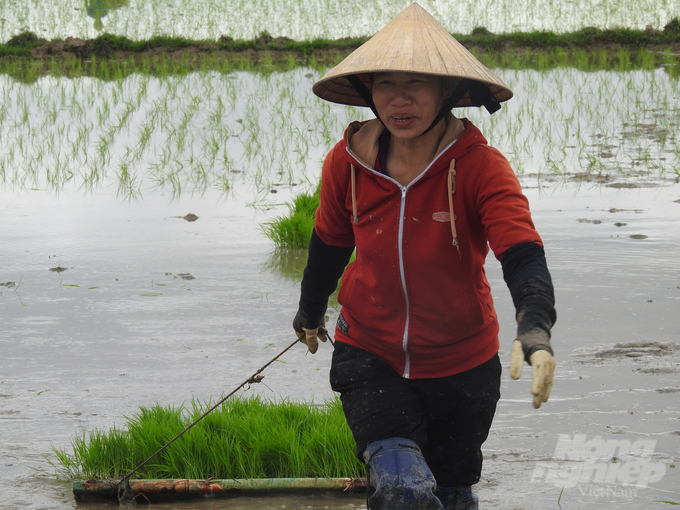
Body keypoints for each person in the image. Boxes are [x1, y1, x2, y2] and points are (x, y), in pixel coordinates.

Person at [293, 4, 556, 509]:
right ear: (369, 93)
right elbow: (329, 242)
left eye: (416, 82)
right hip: (371, 353)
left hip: (464, 363)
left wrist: (536, 327)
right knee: (402, 489)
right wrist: (309, 312)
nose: (399, 99)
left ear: (449, 92)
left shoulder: (481, 168)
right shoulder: (346, 163)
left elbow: (521, 253)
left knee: (454, 494)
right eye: (385, 84)